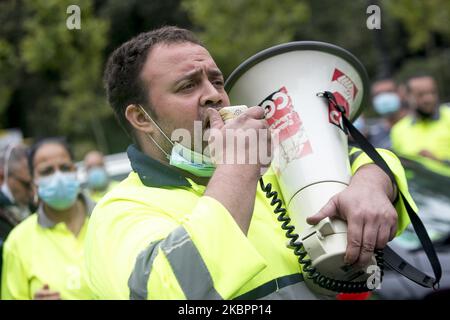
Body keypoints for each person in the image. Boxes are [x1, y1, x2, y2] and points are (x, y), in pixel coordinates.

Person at [84, 26, 415, 299]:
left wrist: (371, 182)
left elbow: (359, 156)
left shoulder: (268, 170)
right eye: (187, 86)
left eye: (216, 80)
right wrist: (237, 167)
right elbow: (169, 292)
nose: (215, 94)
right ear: (141, 117)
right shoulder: (119, 212)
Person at [1, 138, 94, 299]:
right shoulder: (18, 242)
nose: (58, 177)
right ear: (33, 181)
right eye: (47, 171)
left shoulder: (109, 219)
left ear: (75, 170)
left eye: (65, 168)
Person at [391, 74, 450, 166]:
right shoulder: (398, 130)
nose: (428, 98)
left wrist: (440, 162)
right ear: (407, 97)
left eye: (432, 92)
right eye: (420, 94)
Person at [368, 78, 408, 149]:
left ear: (401, 93)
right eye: (378, 94)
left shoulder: (416, 125)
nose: (384, 98)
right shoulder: (372, 134)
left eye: (389, 92)